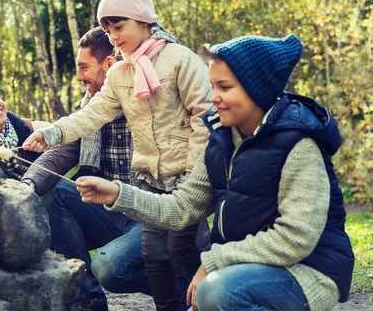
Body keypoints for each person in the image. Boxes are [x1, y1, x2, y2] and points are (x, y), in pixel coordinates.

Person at [76, 35, 355, 311]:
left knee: (216, 291)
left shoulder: (299, 145)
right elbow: (181, 207)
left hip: (308, 272)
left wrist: (213, 262)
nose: (214, 98)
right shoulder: (222, 141)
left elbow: (294, 238)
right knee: (215, 290)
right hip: (246, 268)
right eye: (213, 86)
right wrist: (119, 194)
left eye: (224, 87)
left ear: (256, 88)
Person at [24, 0, 214, 311]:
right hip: (150, 185)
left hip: (186, 184)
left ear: (144, 20)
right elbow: (92, 114)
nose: (113, 36)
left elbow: (205, 115)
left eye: (119, 26)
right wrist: (52, 133)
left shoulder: (179, 60)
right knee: (155, 260)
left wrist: (194, 172)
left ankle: (215, 287)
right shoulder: (120, 74)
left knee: (184, 252)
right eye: (108, 29)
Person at [21, 27, 152, 311]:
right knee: (51, 192)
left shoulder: (149, 100)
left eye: (84, 67)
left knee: (110, 267)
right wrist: (27, 185)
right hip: (110, 213)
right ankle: (88, 299)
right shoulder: (89, 107)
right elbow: (63, 150)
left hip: (151, 213)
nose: (79, 77)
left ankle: (181, 282)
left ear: (109, 64)